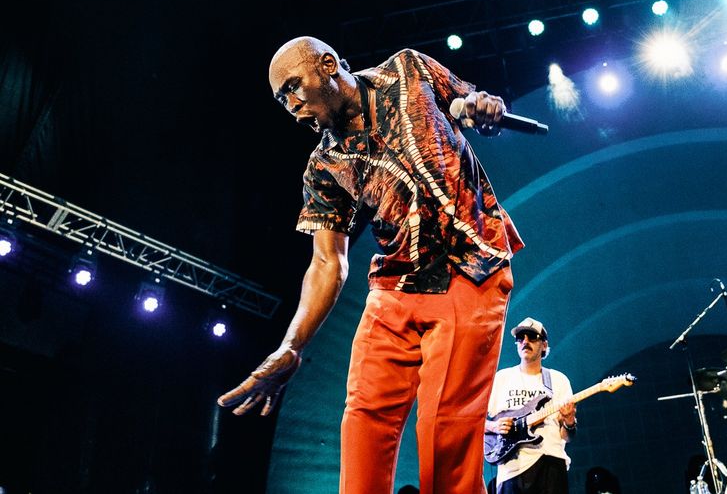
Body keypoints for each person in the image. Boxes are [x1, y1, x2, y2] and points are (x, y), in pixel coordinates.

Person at [217, 37, 524, 494]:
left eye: (294, 88)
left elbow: (469, 104)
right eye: (282, 99)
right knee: (363, 424)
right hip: (395, 290)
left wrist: (484, 107)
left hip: (468, 268)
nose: (291, 105)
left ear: (327, 65)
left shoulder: (408, 70)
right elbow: (327, 262)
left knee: (445, 439)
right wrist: (292, 345)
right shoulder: (324, 165)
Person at [485, 318, 576, 494]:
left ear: (544, 345)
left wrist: (569, 421)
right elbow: (473, 421)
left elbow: (566, 436)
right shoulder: (502, 378)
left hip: (551, 463)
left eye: (532, 337)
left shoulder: (558, 380)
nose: (525, 341)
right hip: (512, 469)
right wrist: (493, 426)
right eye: (520, 337)